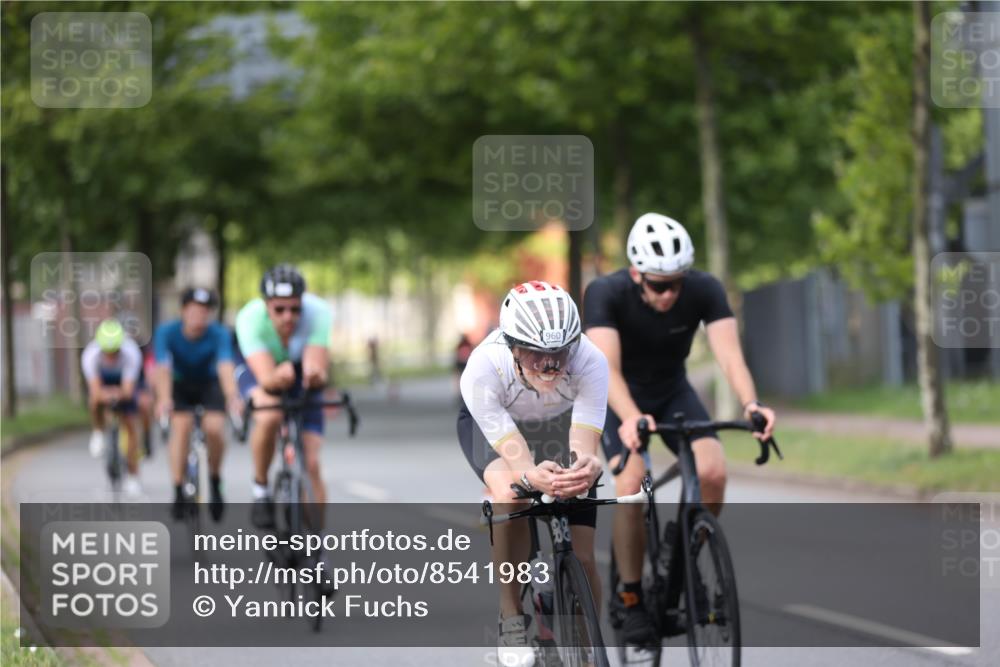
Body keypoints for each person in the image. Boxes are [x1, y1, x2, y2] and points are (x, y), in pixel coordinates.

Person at [583, 212, 778, 651]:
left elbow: (730, 357)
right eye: (658, 284)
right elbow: (605, 369)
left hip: (672, 392)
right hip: (618, 398)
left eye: (676, 282)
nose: (669, 293)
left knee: (712, 472)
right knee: (631, 483)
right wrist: (631, 416)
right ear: (636, 274)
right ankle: (631, 598)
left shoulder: (704, 289)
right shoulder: (605, 293)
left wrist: (752, 404)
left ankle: (687, 556)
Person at [458, 280, 607, 667]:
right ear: (511, 345)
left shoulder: (591, 360)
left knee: (586, 557)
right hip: (496, 429)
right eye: (536, 353)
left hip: (558, 424)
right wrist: (529, 476)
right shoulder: (483, 367)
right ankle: (511, 617)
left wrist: (587, 466)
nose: (550, 364)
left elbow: (585, 447)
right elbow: (521, 465)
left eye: (559, 352)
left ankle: (589, 647)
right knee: (512, 493)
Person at [234, 264, 332, 530]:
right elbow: (267, 380)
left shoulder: (319, 312)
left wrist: (315, 375)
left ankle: (319, 546)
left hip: (297, 369)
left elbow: (316, 365)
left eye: (295, 308)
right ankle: (261, 487)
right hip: (260, 369)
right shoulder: (249, 318)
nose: (288, 317)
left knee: (311, 464)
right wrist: (278, 377)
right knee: (269, 414)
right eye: (279, 309)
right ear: (266, 306)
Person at [154, 288, 240, 521]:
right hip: (179, 385)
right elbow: (162, 367)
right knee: (181, 427)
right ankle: (178, 488)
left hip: (209, 383)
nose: (199, 317)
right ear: (183, 311)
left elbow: (225, 365)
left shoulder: (219, 333)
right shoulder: (166, 332)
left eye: (204, 312)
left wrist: (232, 396)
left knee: (214, 428)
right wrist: (163, 399)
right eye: (194, 311)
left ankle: (215, 479)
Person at [81, 318, 146, 496]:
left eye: (114, 352)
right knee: (93, 402)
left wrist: (119, 394)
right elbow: (95, 390)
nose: (111, 356)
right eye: (107, 352)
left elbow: (128, 390)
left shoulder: (131, 353)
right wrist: (105, 395)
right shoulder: (90, 355)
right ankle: (98, 431)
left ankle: (133, 475)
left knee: (131, 425)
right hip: (103, 381)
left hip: (124, 381)